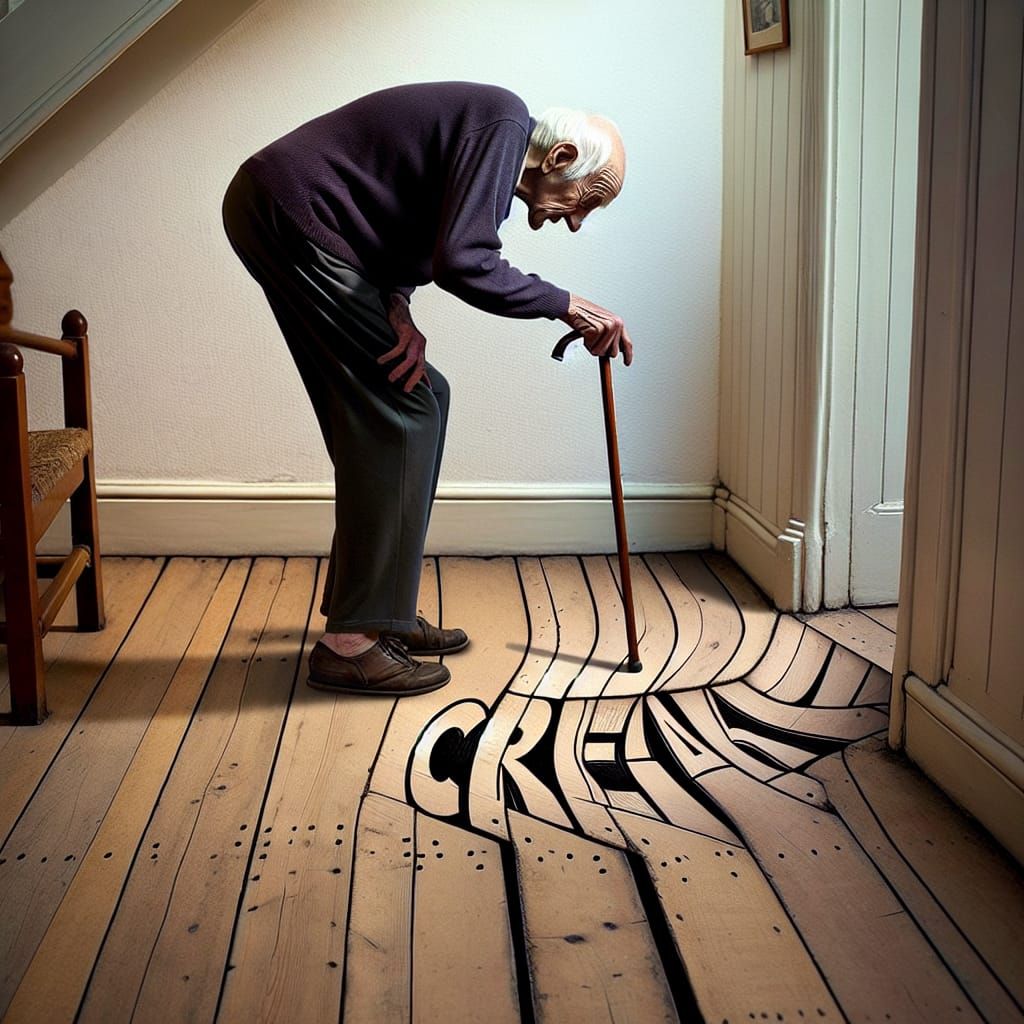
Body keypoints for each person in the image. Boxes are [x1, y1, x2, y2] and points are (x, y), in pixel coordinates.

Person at [222, 81, 631, 698]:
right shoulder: (503, 124)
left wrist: (397, 307)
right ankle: (351, 643)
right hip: (292, 210)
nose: (575, 222)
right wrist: (566, 305)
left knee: (420, 396)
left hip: (297, 215)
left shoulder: (494, 136)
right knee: (399, 409)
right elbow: (465, 260)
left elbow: (403, 215)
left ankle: (379, 611)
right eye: (585, 203)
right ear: (563, 158)